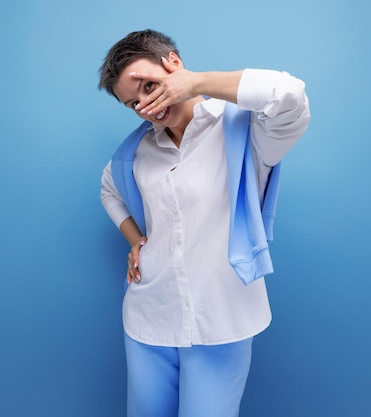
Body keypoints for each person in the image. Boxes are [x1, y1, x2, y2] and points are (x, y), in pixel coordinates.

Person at [98, 29, 310, 417]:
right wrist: (135, 239)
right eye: (133, 103)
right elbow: (108, 190)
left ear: (173, 63)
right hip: (149, 319)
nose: (146, 105)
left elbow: (290, 95)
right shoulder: (135, 152)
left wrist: (195, 83)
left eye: (150, 85)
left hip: (221, 322)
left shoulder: (247, 130)